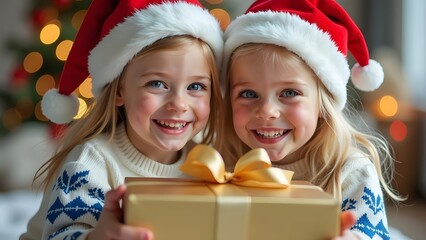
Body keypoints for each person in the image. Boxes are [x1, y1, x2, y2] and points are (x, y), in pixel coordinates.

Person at [20, 0, 223, 239]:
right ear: (119, 92)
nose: (179, 104)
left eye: (196, 86)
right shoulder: (92, 163)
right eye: (157, 84)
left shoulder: (207, 162)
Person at [218, 0, 405, 239]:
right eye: (248, 94)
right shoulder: (222, 163)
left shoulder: (350, 172)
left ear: (322, 103)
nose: (267, 111)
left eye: (289, 93)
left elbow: (371, 233)